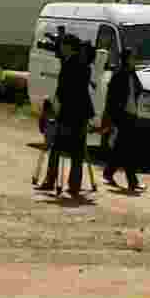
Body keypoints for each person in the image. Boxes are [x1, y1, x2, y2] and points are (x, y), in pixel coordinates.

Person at [36, 34, 96, 197]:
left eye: (63, 45)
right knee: (77, 151)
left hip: (69, 113)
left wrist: (54, 108)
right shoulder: (83, 64)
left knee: (57, 148)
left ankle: (50, 181)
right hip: (82, 112)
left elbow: (64, 91)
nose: (60, 48)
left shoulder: (70, 64)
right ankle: (74, 186)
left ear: (69, 46)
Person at [101, 47, 146, 193]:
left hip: (132, 114)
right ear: (127, 58)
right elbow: (111, 98)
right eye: (133, 57)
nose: (135, 60)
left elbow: (138, 90)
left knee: (121, 147)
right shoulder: (119, 74)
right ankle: (132, 182)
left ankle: (108, 173)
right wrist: (111, 117)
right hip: (122, 115)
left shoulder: (133, 74)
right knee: (128, 149)